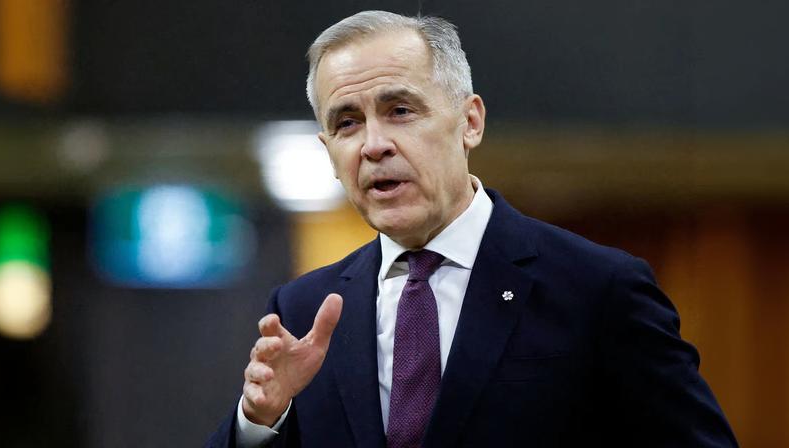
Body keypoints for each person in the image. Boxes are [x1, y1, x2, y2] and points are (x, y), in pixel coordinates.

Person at [208, 10, 737, 448]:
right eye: (347, 122)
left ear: (470, 122)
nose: (373, 144)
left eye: (399, 110)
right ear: (329, 151)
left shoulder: (597, 289)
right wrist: (258, 422)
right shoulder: (304, 309)